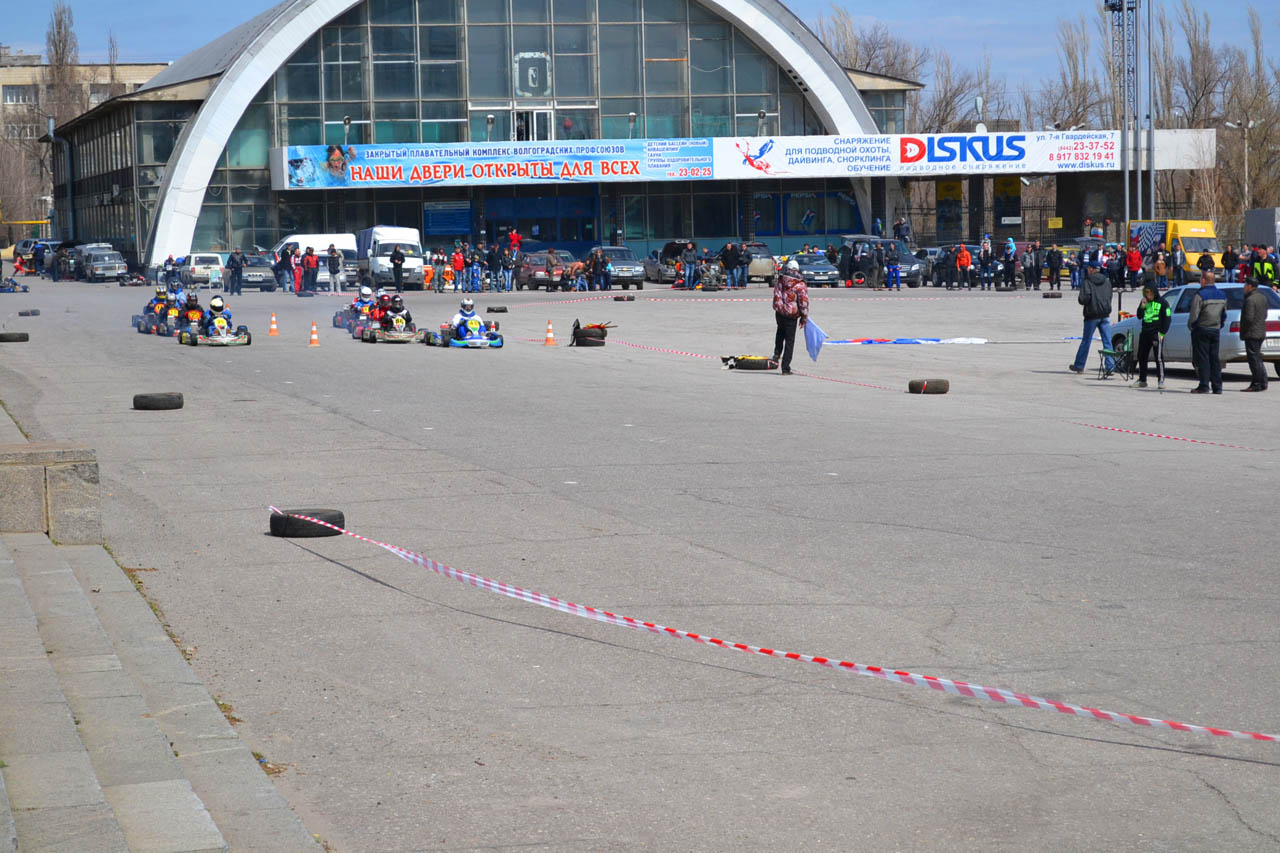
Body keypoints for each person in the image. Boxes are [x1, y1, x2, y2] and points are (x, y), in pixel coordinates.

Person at [1069, 258, 1114, 374]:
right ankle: (1110, 366)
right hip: (1105, 314)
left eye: (1089, 268)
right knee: (1107, 341)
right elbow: (1110, 296)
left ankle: (1079, 365)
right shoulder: (1107, 281)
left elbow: (1083, 299)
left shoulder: (1087, 281)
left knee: (1086, 341)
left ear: (1091, 269)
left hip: (1092, 315)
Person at [1187, 271, 1227, 394]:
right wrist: (1219, 325)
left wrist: (1192, 327)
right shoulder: (1222, 295)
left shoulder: (1200, 295)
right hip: (1215, 330)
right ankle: (1217, 387)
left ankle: (1204, 385)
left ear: (1204, 280)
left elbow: (1194, 315)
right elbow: (1224, 314)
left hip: (1202, 329)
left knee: (1203, 358)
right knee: (1214, 359)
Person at [771, 259, 809, 376]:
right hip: (791, 315)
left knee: (780, 333)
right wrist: (804, 317)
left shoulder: (781, 280)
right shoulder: (800, 285)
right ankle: (785, 368)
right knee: (789, 341)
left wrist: (779, 307)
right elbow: (803, 303)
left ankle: (776, 354)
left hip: (780, 313)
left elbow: (776, 295)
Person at [1132, 284, 1171, 389]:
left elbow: (1167, 317)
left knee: (1158, 357)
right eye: (1146, 293)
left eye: (1150, 293)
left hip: (1156, 333)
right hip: (1145, 332)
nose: (1148, 295)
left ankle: (1161, 380)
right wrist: (1142, 306)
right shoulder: (1144, 301)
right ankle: (1142, 380)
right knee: (1141, 356)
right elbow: (1139, 316)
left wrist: (1162, 333)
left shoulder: (1163, 302)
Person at [1238, 277, 1270, 392]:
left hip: (1252, 333)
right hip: (1260, 331)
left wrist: (1244, 329)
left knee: (1254, 359)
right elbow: (1265, 315)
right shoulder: (1262, 297)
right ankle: (1263, 382)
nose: (1244, 287)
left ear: (1250, 286)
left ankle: (1256, 383)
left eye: (1245, 285)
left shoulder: (1250, 300)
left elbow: (1248, 318)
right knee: (1257, 358)